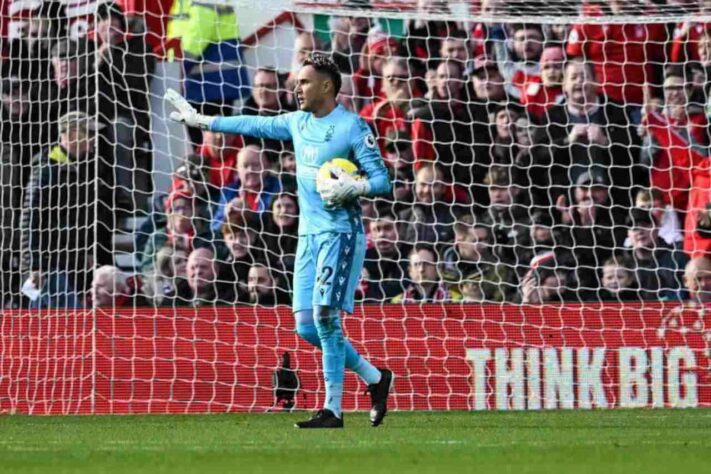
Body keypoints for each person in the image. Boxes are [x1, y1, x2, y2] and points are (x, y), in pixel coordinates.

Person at [165, 53, 394, 429]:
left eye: (304, 81)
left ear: (326, 85)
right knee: (306, 326)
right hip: (307, 238)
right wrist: (201, 120)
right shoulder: (296, 122)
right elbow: (252, 122)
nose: (296, 88)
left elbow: (383, 181)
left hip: (340, 235)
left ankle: (332, 410)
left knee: (325, 317)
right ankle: (375, 378)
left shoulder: (353, 127)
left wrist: (357, 187)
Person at [19, 111, 104, 309]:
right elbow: (31, 218)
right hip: (49, 266)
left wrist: (87, 251)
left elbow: (82, 217)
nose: (94, 140)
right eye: (89, 133)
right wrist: (35, 264)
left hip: (72, 263)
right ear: (73, 134)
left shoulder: (82, 168)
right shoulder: (46, 168)